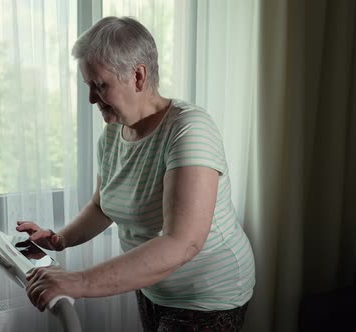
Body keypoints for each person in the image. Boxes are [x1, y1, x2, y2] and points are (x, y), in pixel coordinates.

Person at [16, 16, 255, 331]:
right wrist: (60, 239)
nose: (91, 99)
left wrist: (78, 281)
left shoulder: (189, 130)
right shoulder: (114, 134)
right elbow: (102, 206)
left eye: (100, 86)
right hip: (154, 287)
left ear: (138, 76)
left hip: (207, 294)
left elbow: (183, 242)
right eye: (89, 87)